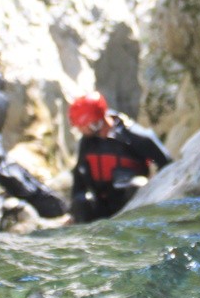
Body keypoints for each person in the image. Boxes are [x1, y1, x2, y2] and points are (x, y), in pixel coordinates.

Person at [67, 92, 172, 223]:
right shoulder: (87, 142)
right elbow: (79, 177)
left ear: (96, 123)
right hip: (102, 205)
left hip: (132, 202)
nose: (80, 130)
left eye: (83, 126)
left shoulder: (135, 137)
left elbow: (168, 166)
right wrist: (73, 212)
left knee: (135, 184)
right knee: (80, 202)